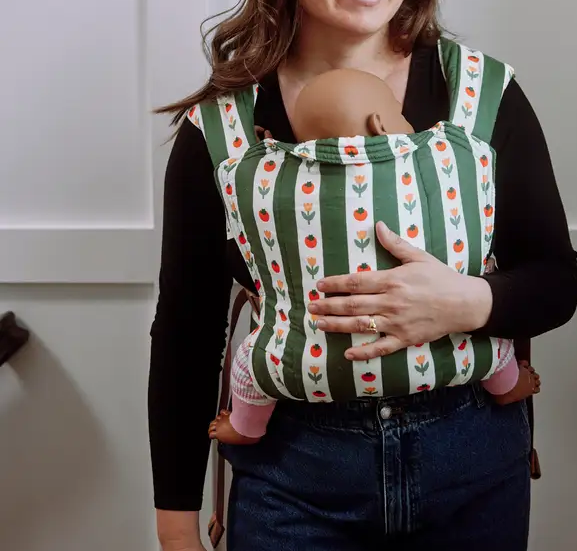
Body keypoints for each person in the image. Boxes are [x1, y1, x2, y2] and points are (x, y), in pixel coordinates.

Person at [149, 0, 577, 551]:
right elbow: (184, 335)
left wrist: (466, 302)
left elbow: (557, 280)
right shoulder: (221, 128)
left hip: (470, 465)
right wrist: (179, 541)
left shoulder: (481, 93)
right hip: (292, 480)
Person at [207, 68, 541, 447]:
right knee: (494, 347)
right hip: (457, 369)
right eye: (401, 114)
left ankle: (247, 427)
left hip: (308, 371)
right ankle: (508, 386)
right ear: (380, 124)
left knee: (250, 364)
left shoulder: (257, 176)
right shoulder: (455, 153)